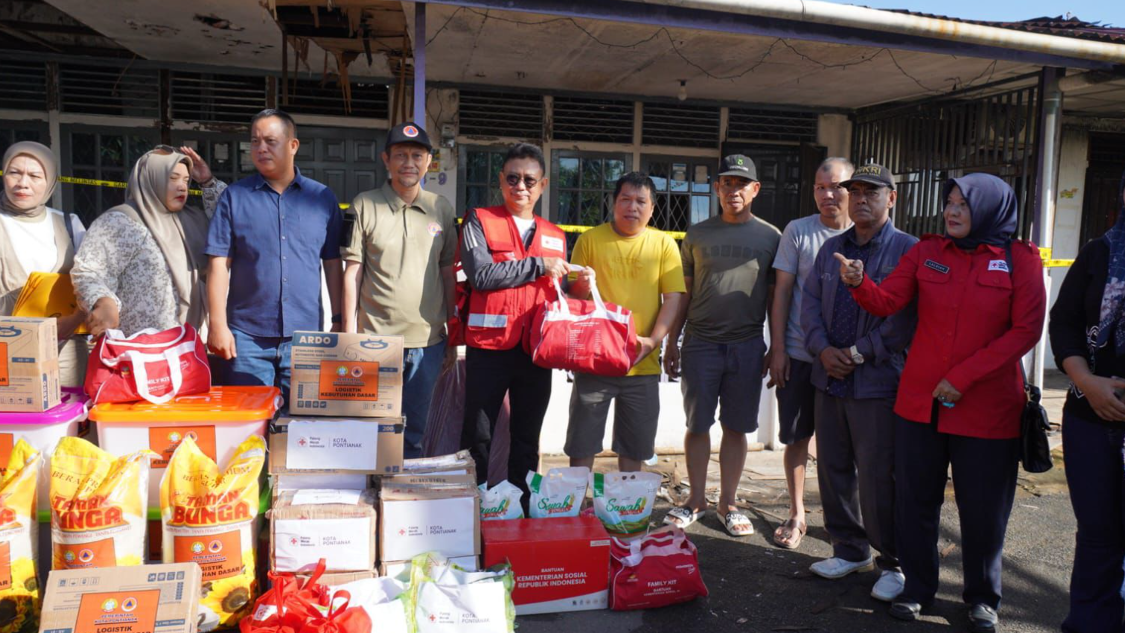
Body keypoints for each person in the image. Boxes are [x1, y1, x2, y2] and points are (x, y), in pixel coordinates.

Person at [836, 172, 1046, 632]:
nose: (952, 212)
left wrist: (963, 377)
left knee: (984, 509)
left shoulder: (1019, 259)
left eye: (963, 205)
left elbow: (1025, 331)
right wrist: (859, 283)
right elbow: (889, 300)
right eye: (949, 202)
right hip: (921, 403)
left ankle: (982, 598)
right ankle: (917, 588)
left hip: (987, 409)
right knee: (915, 502)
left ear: (990, 209)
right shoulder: (928, 251)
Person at [801, 163, 917, 601]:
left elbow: (904, 319)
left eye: (872, 191)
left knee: (877, 475)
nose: (861, 199)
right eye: (855, 192)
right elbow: (809, 305)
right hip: (828, 377)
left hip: (877, 382)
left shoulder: (908, 250)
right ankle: (849, 549)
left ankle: (893, 561)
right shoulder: (832, 248)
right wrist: (822, 350)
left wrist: (858, 352)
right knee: (832, 468)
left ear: (892, 198)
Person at [662, 155, 776, 536]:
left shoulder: (771, 237)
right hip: (700, 344)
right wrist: (672, 342)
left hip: (746, 345)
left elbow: (778, 297)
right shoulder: (697, 234)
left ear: (755, 190)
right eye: (727, 183)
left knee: (736, 427)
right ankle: (695, 499)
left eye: (742, 184)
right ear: (716, 188)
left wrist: (776, 347)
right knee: (697, 425)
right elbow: (684, 292)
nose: (733, 190)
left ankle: (728, 502)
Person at [205, 109, 344, 401]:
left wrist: (339, 319)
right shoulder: (235, 197)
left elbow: (332, 263)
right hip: (246, 338)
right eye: (255, 142)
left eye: (270, 140)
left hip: (305, 338)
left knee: (303, 428)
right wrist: (217, 324)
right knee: (248, 431)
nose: (261, 148)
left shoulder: (322, 199)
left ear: (293, 145)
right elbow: (219, 263)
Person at [458, 143, 568, 505]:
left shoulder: (556, 235)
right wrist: (539, 265)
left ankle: (521, 507)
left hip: (536, 351)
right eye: (513, 178)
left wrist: (577, 285)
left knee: (526, 437)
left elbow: (556, 292)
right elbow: (482, 276)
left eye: (529, 180)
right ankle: (474, 508)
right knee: (479, 435)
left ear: (543, 185)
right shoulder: (479, 219)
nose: (521, 186)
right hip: (488, 348)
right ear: (501, 182)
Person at [341, 122, 457, 458]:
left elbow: (447, 270)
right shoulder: (364, 205)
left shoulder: (441, 208)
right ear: (386, 160)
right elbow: (353, 271)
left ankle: (403, 501)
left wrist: (452, 329)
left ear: (428, 161)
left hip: (428, 340)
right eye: (401, 155)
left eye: (417, 155)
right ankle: (371, 499)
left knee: (413, 430)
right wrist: (349, 332)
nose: (409, 162)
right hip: (374, 340)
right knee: (371, 428)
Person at [566, 172, 685, 474]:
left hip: (641, 364)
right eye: (625, 199)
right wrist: (581, 282)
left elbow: (673, 298)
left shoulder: (664, 245)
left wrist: (653, 341)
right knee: (582, 445)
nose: (632, 207)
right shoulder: (590, 239)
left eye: (640, 201)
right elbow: (574, 297)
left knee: (635, 448)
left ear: (652, 208)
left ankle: (625, 515)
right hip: (593, 362)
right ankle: (576, 513)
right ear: (613, 203)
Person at [1050, 169, 1125, 633]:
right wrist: (1087, 381)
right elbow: (1064, 323)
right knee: (1098, 535)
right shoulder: (1099, 253)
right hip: (1090, 417)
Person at [766, 157, 854, 549]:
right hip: (801, 355)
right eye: (820, 187)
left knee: (847, 445)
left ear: (856, 190)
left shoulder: (868, 236)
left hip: (850, 362)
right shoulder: (798, 231)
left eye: (836, 186)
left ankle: (846, 522)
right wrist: (779, 348)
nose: (828, 195)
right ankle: (798, 513)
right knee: (797, 437)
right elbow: (782, 291)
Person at [73, 146, 212, 338]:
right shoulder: (120, 221)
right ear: (151, 178)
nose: (182, 186)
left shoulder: (194, 220)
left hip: (187, 347)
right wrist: (104, 302)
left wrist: (207, 182)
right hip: (138, 351)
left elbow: (236, 221)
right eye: (172, 178)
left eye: (186, 180)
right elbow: (88, 272)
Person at [0, 142, 88, 387]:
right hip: (5, 351)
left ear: (51, 181)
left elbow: (93, 280)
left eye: (35, 175)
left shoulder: (69, 224)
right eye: (14, 172)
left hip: (65, 351)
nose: (23, 183)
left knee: (67, 421)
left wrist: (74, 320)